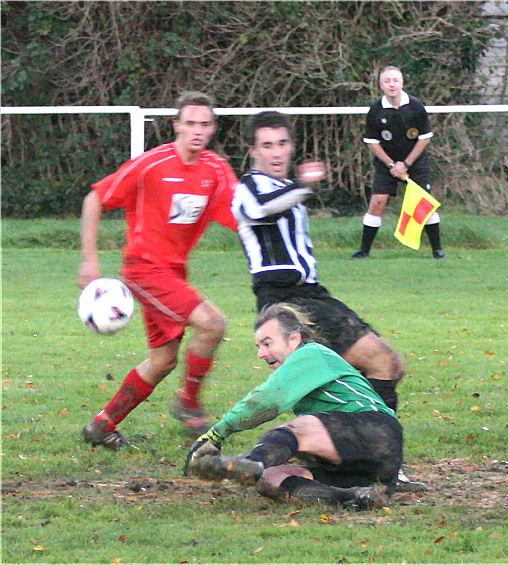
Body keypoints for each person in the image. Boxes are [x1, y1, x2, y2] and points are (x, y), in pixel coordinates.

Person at [231, 110, 426, 491]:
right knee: (361, 370)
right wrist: (303, 183)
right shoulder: (249, 188)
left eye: (283, 143)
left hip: (314, 297)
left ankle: (364, 464)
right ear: (252, 150)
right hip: (285, 302)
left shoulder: (286, 188)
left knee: (379, 368)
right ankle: (372, 467)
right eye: (267, 145)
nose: (277, 152)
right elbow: (261, 209)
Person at [78, 91, 238, 449]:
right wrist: (90, 259)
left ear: (213, 129)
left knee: (163, 361)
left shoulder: (215, 170)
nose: (197, 131)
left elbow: (243, 213)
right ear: (176, 125)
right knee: (213, 324)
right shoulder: (151, 165)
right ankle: (189, 403)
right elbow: (95, 198)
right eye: (190, 123)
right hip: (144, 268)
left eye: (205, 124)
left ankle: (102, 425)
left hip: (173, 274)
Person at [184, 303, 403, 510]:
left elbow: (268, 400)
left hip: (377, 431)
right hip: (362, 464)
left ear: (294, 339)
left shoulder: (312, 353)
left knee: (300, 428)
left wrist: (216, 434)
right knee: (271, 478)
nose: (261, 354)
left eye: (267, 343)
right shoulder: (307, 367)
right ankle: (355, 497)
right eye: (258, 347)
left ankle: (250, 463)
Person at [351, 65, 444, 260]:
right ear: (381, 85)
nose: (392, 85)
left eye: (395, 80)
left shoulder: (416, 106)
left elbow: (425, 138)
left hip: (415, 162)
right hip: (388, 165)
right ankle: (364, 251)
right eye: (387, 81)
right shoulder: (376, 110)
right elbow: (372, 142)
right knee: (377, 202)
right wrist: (392, 165)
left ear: (402, 83)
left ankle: (438, 251)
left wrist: (406, 164)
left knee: (423, 204)